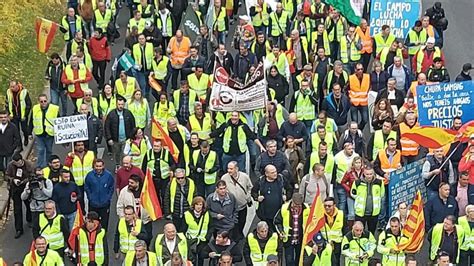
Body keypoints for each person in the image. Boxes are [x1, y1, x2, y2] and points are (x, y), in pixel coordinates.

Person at [252, 165, 293, 231]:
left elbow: (290, 189)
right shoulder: (261, 181)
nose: (275, 174)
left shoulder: (281, 179)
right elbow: (253, 191)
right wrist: (257, 197)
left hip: (279, 213)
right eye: (272, 172)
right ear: (266, 174)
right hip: (265, 214)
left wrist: (287, 197)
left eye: (275, 171)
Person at [220, 161, 253, 241]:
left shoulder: (244, 177)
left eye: (231, 169)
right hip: (231, 207)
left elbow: (250, 187)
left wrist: (247, 196)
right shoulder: (224, 178)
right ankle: (234, 238)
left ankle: (239, 234)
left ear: (236, 169)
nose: (229, 170)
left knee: (242, 221)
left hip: (242, 206)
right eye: (228, 168)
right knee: (233, 223)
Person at [274, 193, 308, 265]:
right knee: (289, 261)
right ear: (292, 201)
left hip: (301, 240)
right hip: (288, 240)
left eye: (299, 205)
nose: (297, 207)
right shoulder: (284, 208)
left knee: (299, 260)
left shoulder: (307, 209)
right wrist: (281, 232)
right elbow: (277, 222)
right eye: (296, 205)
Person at [351, 165, 385, 234]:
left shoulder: (379, 182)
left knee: (371, 233)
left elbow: (381, 195)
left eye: (371, 174)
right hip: (360, 213)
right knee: (359, 233)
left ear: (373, 173)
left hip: (374, 213)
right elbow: (353, 194)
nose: (369, 176)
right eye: (367, 174)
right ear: (363, 173)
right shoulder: (357, 183)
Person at [6, 153, 34, 238]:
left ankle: (29, 219)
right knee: (17, 209)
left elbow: (32, 176)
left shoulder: (29, 165)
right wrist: (13, 180)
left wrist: (24, 181)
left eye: (18, 163)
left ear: (22, 160)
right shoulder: (11, 165)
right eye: (15, 163)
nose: (16, 165)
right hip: (15, 189)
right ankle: (19, 229)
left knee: (28, 205)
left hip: (26, 187)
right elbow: (6, 176)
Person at [105, 96, 136, 167]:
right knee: (117, 153)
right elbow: (107, 127)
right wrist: (109, 138)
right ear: (116, 104)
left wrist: (132, 137)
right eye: (119, 104)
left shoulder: (128, 113)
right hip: (115, 139)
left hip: (126, 139)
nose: (120, 106)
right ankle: (118, 165)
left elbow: (133, 126)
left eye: (122, 104)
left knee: (125, 153)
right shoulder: (111, 114)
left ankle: (125, 165)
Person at [84, 159, 114, 230]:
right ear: (94, 166)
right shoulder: (89, 176)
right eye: (97, 166)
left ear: (103, 166)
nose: (98, 168)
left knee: (104, 222)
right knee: (92, 221)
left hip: (104, 204)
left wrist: (107, 198)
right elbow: (87, 187)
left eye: (100, 166)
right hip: (93, 204)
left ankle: (103, 236)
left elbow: (111, 187)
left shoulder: (108, 175)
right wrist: (90, 197)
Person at [64, 141, 95, 209]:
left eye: (82, 145)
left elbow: (94, 165)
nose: (80, 147)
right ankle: (82, 214)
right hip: (78, 183)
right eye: (78, 145)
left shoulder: (90, 154)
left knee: (91, 198)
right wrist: (70, 159)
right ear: (75, 147)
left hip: (89, 181)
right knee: (80, 200)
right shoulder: (71, 155)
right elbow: (66, 168)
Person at [32, 94, 59, 168]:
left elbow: (59, 121)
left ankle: (48, 165)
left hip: (49, 134)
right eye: (41, 101)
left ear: (47, 101)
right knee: (40, 150)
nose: (43, 103)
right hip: (39, 134)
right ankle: (39, 166)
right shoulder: (35, 108)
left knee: (49, 150)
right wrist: (29, 132)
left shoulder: (54, 109)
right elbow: (32, 120)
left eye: (45, 101)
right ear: (39, 102)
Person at [183, 196, 212, 265]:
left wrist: (207, 237)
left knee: (201, 259)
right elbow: (183, 229)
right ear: (193, 205)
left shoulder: (207, 214)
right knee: (191, 259)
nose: (199, 207)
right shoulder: (187, 214)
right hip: (191, 240)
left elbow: (211, 226)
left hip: (202, 240)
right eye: (197, 204)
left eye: (200, 205)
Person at [6, 80, 32, 146]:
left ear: (17, 85)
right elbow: (7, 104)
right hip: (13, 115)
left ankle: (26, 138)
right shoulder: (8, 92)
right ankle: (19, 145)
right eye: (11, 87)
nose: (12, 88)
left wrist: (26, 114)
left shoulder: (24, 92)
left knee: (24, 129)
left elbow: (29, 104)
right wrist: (8, 114)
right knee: (16, 131)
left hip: (22, 115)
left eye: (13, 87)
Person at [320, 197, 344, 265]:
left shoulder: (341, 214)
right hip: (324, 243)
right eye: (325, 206)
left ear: (334, 205)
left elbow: (345, 229)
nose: (327, 207)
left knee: (336, 262)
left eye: (329, 206)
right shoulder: (320, 215)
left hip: (336, 243)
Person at [0, 109, 21, 175]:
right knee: (1, 166)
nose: (3, 119)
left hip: (9, 151)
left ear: (8, 117)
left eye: (5, 117)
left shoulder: (13, 127)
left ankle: (8, 179)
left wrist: (12, 148)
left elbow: (17, 139)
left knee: (8, 167)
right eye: (1, 117)